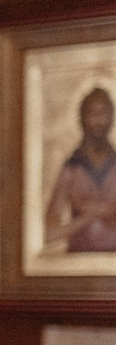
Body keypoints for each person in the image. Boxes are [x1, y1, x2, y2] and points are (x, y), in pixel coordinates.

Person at [45, 84, 116, 254]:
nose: (98, 121)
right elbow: (49, 234)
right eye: (92, 114)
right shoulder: (72, 169)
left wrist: (106, 212)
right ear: (83, 119)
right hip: (78, 260)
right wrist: (89, 216)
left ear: (111, 118)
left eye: (103, 113)